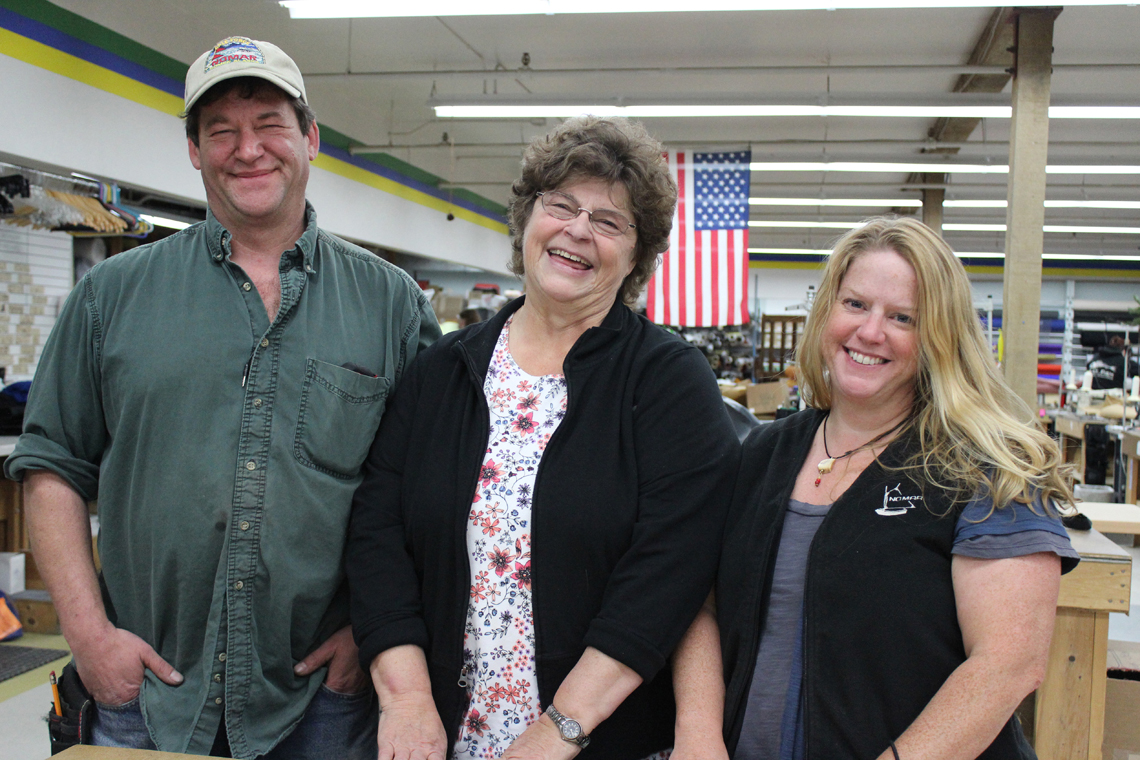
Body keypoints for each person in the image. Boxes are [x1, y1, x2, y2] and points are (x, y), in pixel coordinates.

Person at [4, 36, 439, 758]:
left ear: (311, 138)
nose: (248, 150)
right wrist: (88, 639)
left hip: (323, 696)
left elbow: (429, 491)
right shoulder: (110, 297)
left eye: (269, 124)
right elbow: (52, 467)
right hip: (146, 690)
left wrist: (375, 634)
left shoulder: (390, 304)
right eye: (221, 131)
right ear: (193, 150)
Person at [346, 115, 739, 759]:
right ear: (527, 218)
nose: (579, 230)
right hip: (440, 736)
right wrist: (406, 697)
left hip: (603, 740)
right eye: (562, 205)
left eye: (610, 222)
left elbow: (671, 573)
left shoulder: (669, 382)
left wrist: (559, 732)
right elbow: (377, 535)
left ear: (637, 254)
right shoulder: (443, 372)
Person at [679, 216, 1079, 760]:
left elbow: (1007, 665)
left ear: (940, 336)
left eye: (902, 317)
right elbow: (700, 603)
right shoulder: (762, 454)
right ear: (827, 313)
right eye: (855, 305)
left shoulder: (986, 469)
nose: (871, 332)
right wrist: (699, 735)